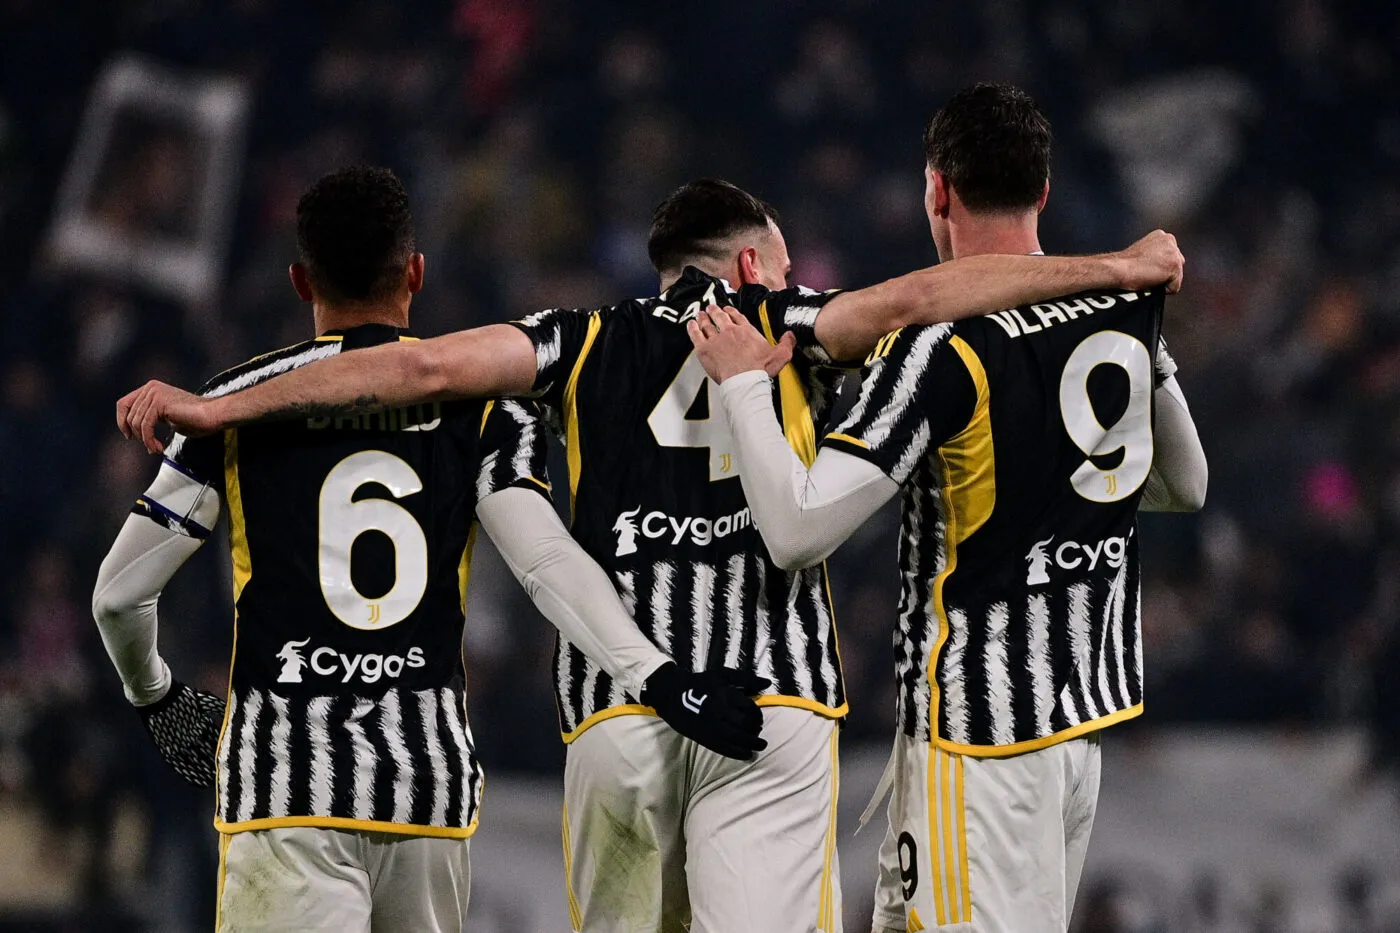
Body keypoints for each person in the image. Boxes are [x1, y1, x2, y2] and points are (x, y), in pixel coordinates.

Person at [114, 178, 1184, 933]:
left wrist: (220, 407)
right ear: (755, 262)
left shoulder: (572, 340)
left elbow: (419, 368)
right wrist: (1117, 266)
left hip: (618, 717)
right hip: (771, 706)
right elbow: (919, 301)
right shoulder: (788, 319)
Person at [91, 166, 767, 933]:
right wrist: (661, 676)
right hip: (426, 786)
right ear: (415, 272)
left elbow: (116, 595)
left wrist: (156, 695)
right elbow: (545, 560)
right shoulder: (485, 407)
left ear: (299, 280)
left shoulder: (230, 407)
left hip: (285, 784)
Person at [687, 84, 1207, 933]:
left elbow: (797, 531)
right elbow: (1186, 483)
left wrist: (747, 385)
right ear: (1042, 190)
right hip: (1080, 733)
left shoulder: (939, 345)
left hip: (981, 745)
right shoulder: (1117, 317)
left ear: (937, 191)